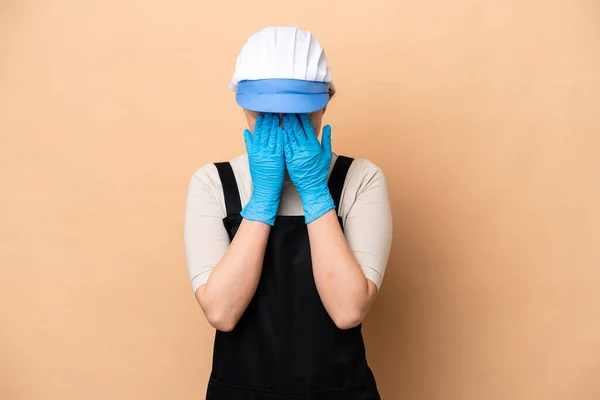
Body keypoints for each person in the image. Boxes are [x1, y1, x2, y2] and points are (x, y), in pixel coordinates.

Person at [184, 26, 393, 400]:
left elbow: (348, 310)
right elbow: (221, 312)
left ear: (325, 101)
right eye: (264, 110)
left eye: (297, 110)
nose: (281, 121)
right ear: (242, 103)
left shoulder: (361, 179)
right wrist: (263, 198)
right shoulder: (213, 182)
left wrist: (315, 191)